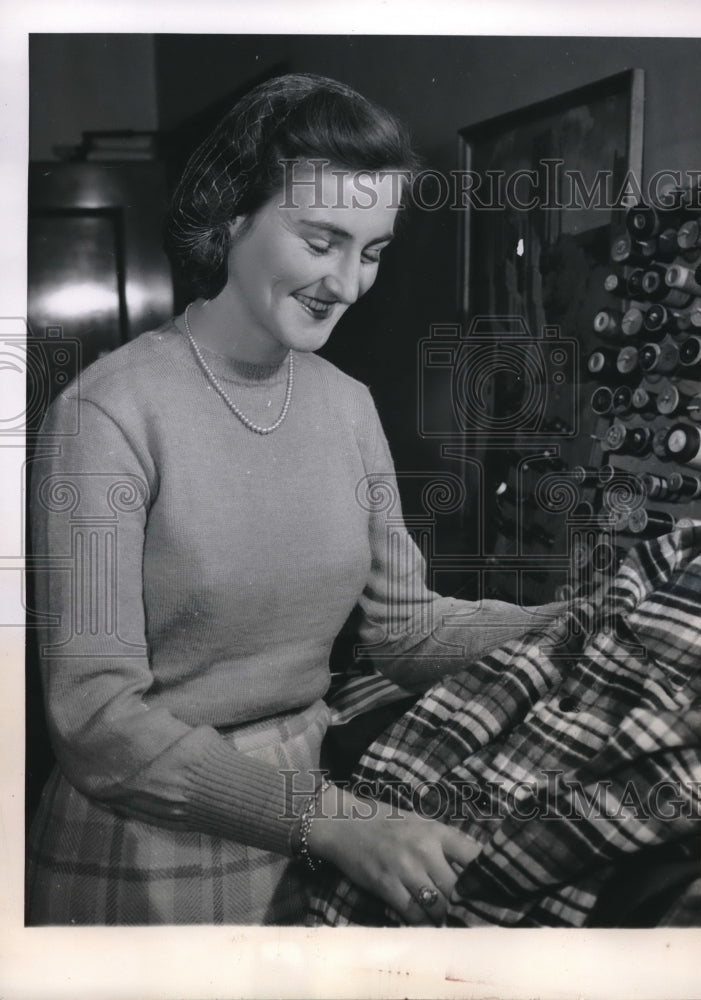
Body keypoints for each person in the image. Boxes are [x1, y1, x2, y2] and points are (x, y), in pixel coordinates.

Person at [26, 72, 566, 926]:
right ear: (231, 216)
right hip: (142, 856)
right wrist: (332, 821)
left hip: (312, 834)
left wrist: (586, 619)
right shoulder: (106, 412)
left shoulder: (346, 404)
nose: (349, 284)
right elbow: (95, 721)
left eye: (373, 251)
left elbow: (408, 629)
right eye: (321, 241)